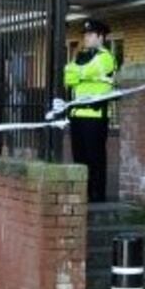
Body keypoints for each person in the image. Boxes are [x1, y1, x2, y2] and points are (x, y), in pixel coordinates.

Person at [63, 18, 116, 203]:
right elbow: (68, 77)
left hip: (95, 116)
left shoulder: (106, 57)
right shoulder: (80, 56)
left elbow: (87, 71)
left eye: (90, 34)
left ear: (101, 37)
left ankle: (97, 196)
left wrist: (80, 72)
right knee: (79, 159)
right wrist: (80, 72)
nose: (86, 37)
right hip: (77, 115)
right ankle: (82, 194)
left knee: (95, 158)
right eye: (85, 34)